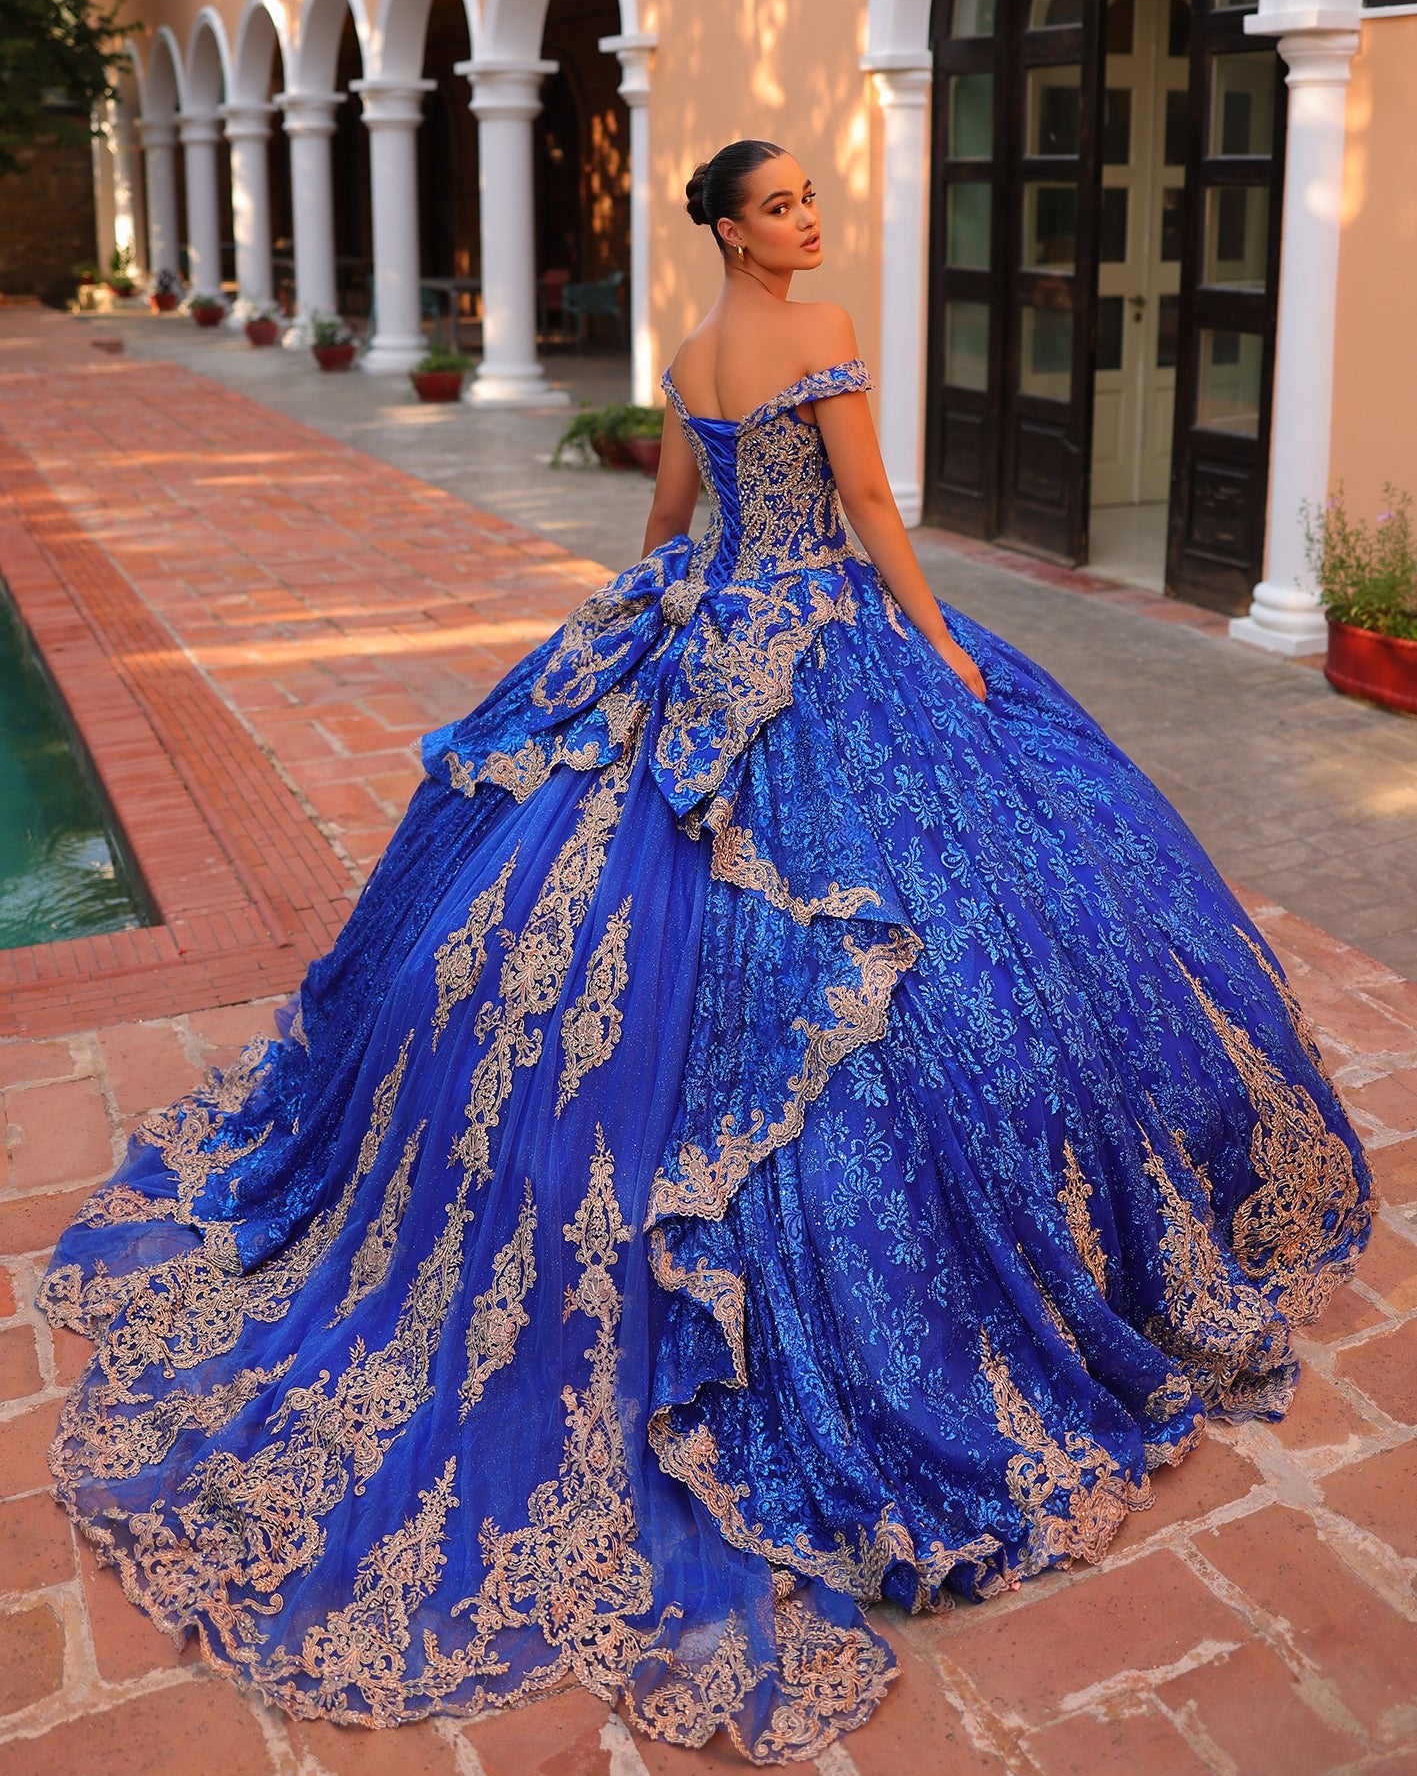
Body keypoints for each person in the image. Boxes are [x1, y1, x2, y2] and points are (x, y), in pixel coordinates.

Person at [39, 138, 1371, 1767]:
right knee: (915, 935)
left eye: (810, 198)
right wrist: (940, 644)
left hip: (703, 629)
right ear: (735, 231)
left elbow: (668, 524)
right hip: (827, 640)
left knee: (593, 915)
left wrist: (641, 643)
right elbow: (867, 504)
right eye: (783, 205)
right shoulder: (817, 338)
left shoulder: (684, 358)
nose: (809, 220)